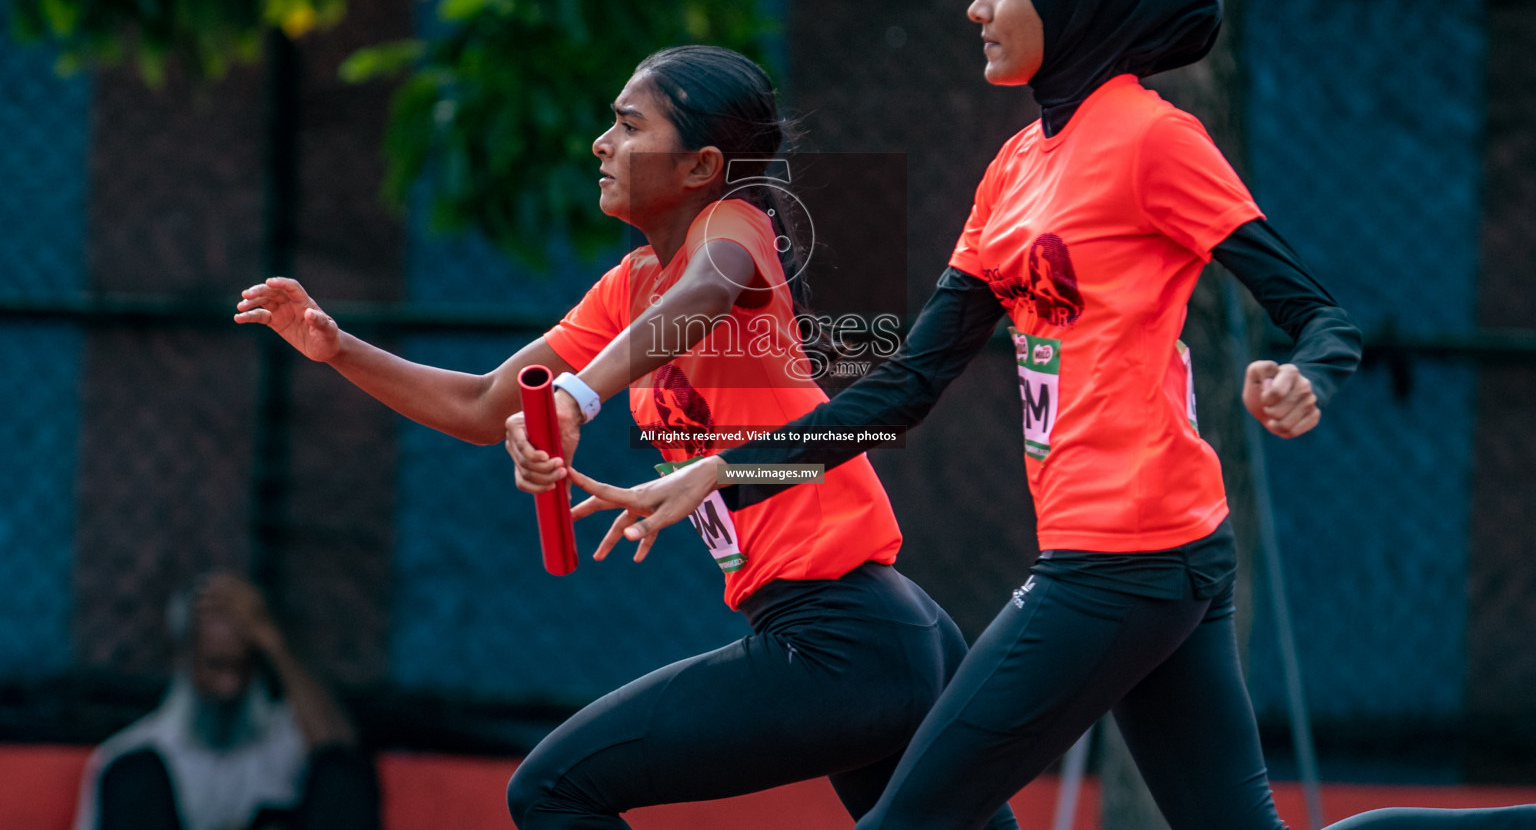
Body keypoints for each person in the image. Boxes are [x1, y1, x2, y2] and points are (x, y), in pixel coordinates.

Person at [559, 0, 1536, 830]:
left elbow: (1319, 315)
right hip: (1148, 557)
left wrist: (1304, 376)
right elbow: (906, 388)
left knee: (909, 818)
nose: (978, 8)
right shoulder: (1014, 166)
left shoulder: (1156, 138)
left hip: (1127, 552)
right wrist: (724, 470)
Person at [236, 45, 1017, 830]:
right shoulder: (632, 285)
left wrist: (578, 395)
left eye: (627, 125)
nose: (600, 144)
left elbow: (705, 294)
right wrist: (337, 350)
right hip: (872, 636)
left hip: (845, 639)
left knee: (551, 791)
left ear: (700, 165)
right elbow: (479, 407)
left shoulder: (734, 226)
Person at [73, 574, 378, 830]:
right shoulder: (128, 754)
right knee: (133, 778)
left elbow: (343, 755)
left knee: (340, 774)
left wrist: (273, 641)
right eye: (215, 666)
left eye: (242, 667)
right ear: (185, 659)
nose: (230, 686)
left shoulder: (288, 739)